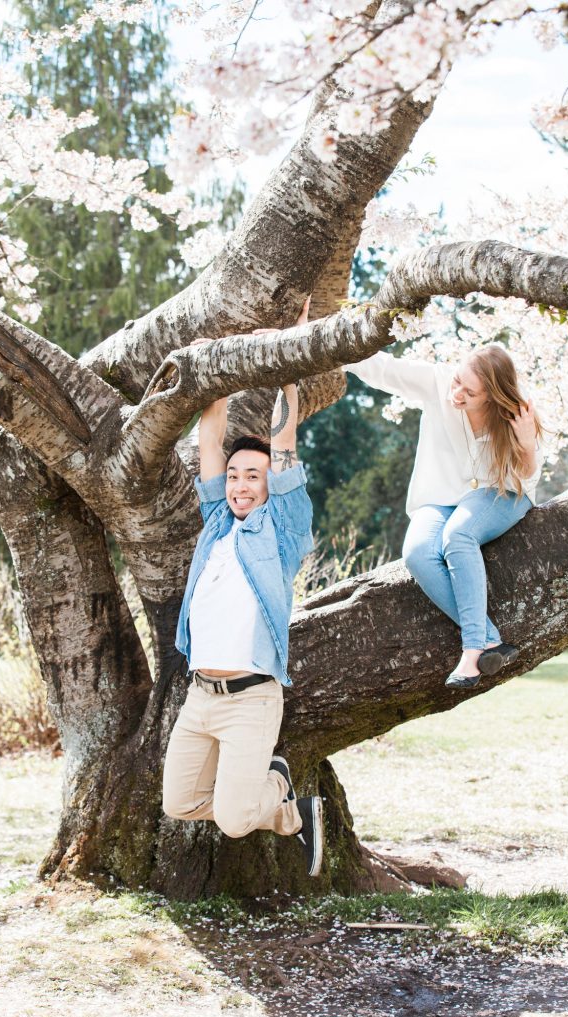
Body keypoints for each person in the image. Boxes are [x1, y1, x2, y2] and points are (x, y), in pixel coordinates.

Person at [163, 307, 324, 877]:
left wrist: (284, 366)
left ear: (270, 484)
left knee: (233, 820)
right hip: (201, 695)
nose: (239, 484)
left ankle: (282, 792)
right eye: (234, 475)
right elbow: (210, 434)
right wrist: (218, 364)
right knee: (178, 803)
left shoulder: (279, 528)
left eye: (252, 476)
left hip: (252, 696)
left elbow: (285, 441)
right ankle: (275, 801)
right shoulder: (216, 524)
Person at [344, 343, 543, 689]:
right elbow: (382, 368)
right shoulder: (437, 382)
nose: (456, 393)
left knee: (459, 536)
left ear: (492, 396)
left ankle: (472, 651)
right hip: (437, 499)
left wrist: (525, 443)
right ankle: (491, 641)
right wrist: (309, 341)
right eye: (457, 381)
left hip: (501, 493)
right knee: (417, 553)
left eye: (470, 392)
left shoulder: (515, 412)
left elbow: (526, 476)